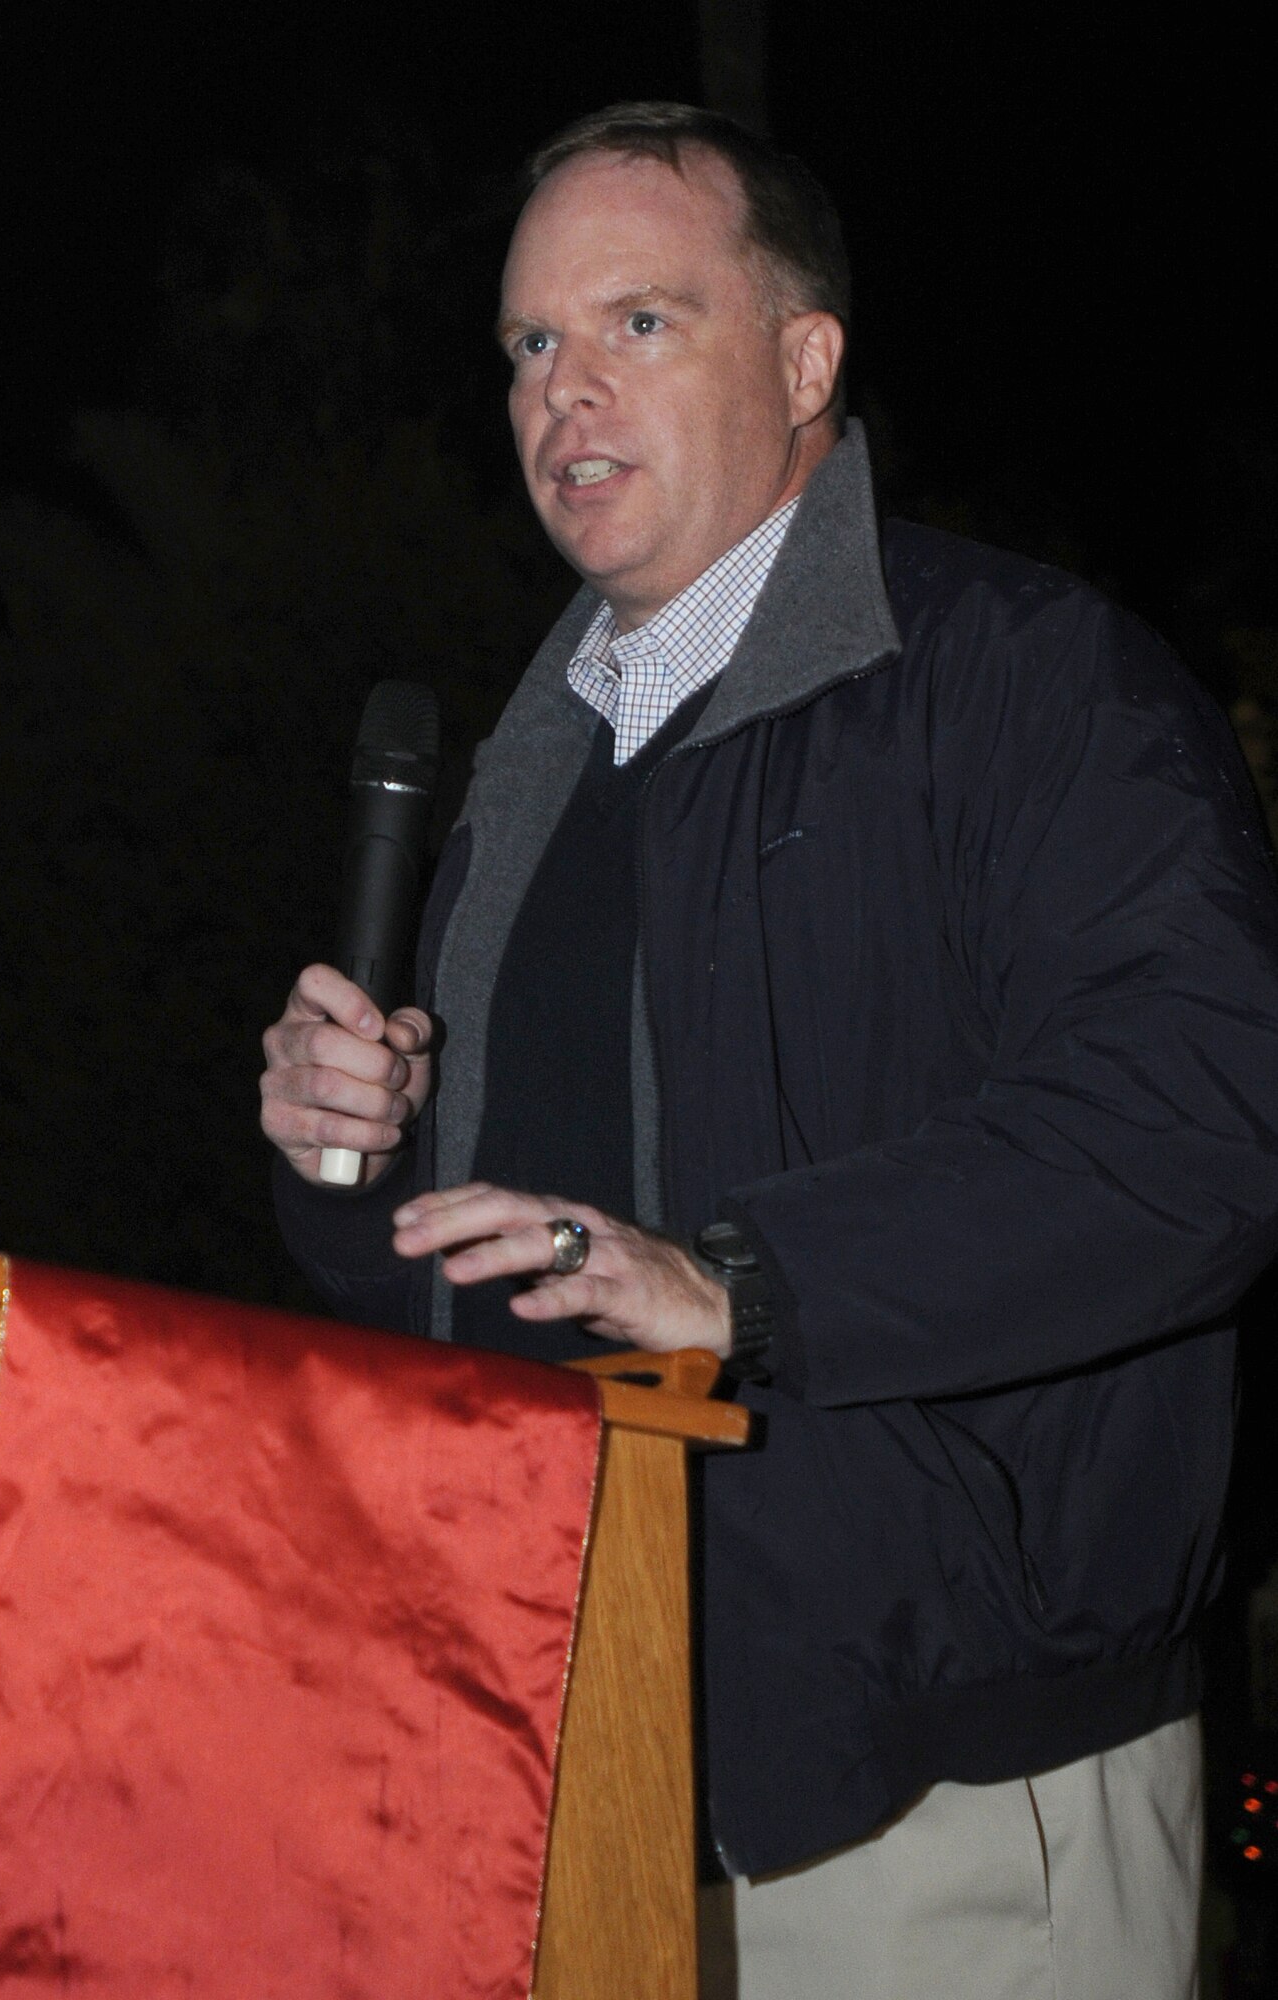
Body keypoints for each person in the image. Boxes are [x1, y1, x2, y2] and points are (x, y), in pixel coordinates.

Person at [258, 101, 1278, 1998]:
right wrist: (355, 1155)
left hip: (944, 1800)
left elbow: (1196, 1135)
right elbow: (492, 1271)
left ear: (804, 360)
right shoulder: (521, 776)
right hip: (558, 1761)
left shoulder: (1027, 685)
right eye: (528, 346)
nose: (566, 389)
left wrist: (735, 1282)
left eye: (638, 323)